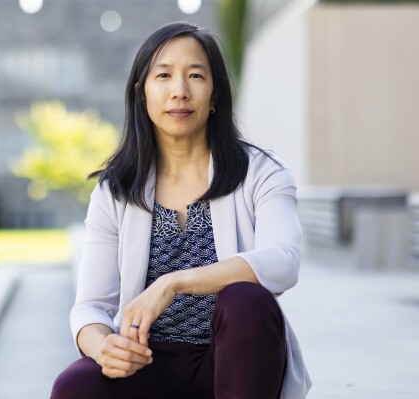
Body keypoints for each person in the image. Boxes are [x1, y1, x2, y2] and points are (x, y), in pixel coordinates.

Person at [51, 21, 311, 399]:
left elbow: (282, 261)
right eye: (164, 76)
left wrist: (172, 283)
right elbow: (91, 307)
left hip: (233, 364)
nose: (180, 91)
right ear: (142, 94)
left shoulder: (261, 172)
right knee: (74, 385)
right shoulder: (116, 191)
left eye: (195, 75)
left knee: (247, 301)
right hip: (149, 367)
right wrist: (103, 347)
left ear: (215, 93)